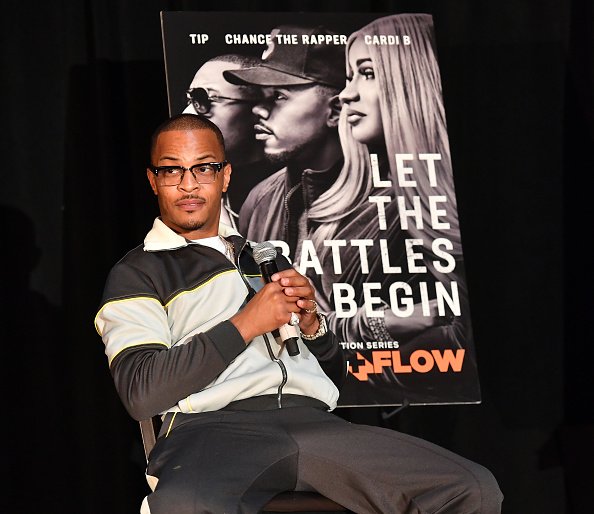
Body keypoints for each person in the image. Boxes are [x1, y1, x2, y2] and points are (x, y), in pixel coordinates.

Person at [95, 113, 502, 513]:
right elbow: (141, 392)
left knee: (470, 489)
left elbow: (336, 377)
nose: (189, 184)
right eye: (172, 171)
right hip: (214, 430)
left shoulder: (266, 258)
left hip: (314, 425)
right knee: (185, 505)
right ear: (153, 180)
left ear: (226, 176)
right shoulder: (139, 271)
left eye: (204, 168)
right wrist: (246, 324)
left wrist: (312, 326)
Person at [223, 25, 344, 261]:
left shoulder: (388, 201)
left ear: (335, 111)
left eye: (279, 96)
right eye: (261, 95)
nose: (258, 109)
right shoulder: (258, 200)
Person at [183, 54, 274, 229]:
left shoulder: (293, 192)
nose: (187, 113)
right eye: (189, 100)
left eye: (203, 100)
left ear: (258, 108)